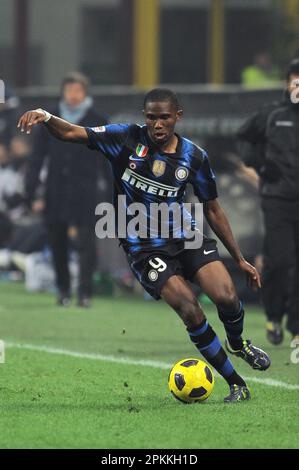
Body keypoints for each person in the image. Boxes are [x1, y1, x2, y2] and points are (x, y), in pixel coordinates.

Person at [17, 88, 270, 403]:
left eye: (165, 117)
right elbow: (71, 132)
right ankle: (236, 383)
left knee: (227, 296)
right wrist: (45, 115)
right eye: (152, 117)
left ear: (178, 117)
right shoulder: (124, 139)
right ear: (144, 117)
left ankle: (237, 343)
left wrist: (241, 258)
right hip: (144, 247)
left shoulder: (194, 156)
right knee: (190, 310)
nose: (158, 124)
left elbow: (213, 209)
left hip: (185, 236)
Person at [25, 72, 108, 307]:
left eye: (78, 91)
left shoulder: (97, 118)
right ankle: (62, 290)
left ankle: (85, 293)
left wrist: (115, 193)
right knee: (57, 241)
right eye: (69, 90)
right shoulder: (48, 118)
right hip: (56, 188)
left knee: (87, 244)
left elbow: (109, 159)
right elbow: (37, 158)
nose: (73, 95)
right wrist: (31, 191)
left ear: (85, 93)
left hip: (86, 189)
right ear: (63, 92)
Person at [237, 58, 299, 345]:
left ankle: (296, 326)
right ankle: (274, 314)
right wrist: (260, 164)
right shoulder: (272, 114)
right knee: (281, 260)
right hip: (278, 199)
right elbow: (244, 136)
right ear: (288, 83)